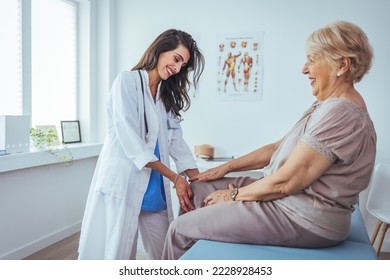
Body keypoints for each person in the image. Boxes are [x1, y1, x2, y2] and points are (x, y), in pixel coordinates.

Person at [162, 21, 377, 260]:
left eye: (312, 59)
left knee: (179, 230)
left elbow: (287, 182)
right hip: (287, 199)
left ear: (342, 65)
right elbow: (276, 148)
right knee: (198, 188)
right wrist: (225, 168)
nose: (304, 69)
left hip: (303, 216)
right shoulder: (326, 105)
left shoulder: (342, 113)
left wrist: (233, 196)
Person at [78, 29, 205, 260]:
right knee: (116, 255)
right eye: (176, 59)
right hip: (124, 182)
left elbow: (176, 140)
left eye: (182, 65)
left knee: (167, 254)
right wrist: (176, 178)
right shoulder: (126, 82)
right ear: (160, 49)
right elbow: (131, 142)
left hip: (154, 186)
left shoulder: (165, 97)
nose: (177, 69)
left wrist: (198, 179)